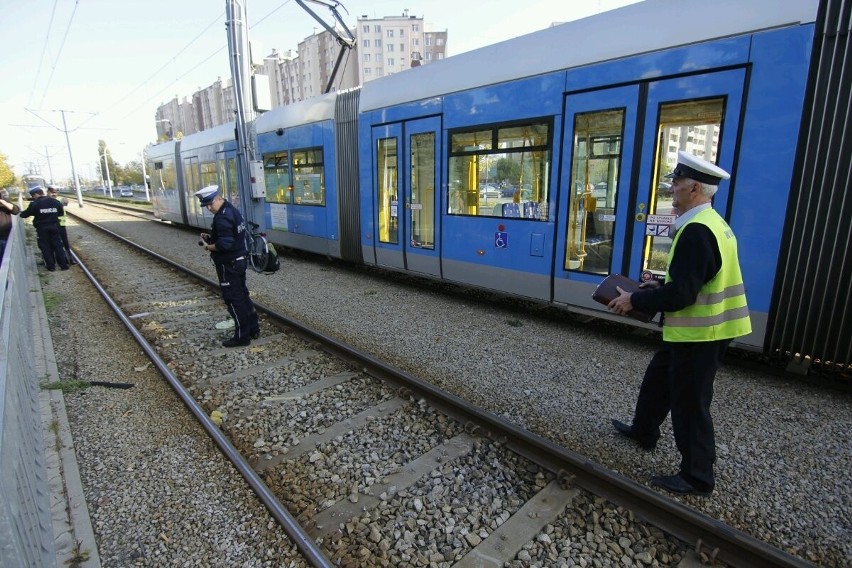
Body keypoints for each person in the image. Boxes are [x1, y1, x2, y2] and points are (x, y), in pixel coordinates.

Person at [607, 151, 751, 496]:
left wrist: (635, 300)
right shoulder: (711, 223)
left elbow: (683, 295)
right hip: (697, 330)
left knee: (691, 402)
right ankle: (644, 431)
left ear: (696, 189)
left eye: (677, 183)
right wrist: (657, 287)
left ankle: (697, 476)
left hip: (703, 333)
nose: (672, 189)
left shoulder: (696, 232)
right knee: (659, 379)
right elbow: (694, 280)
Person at [195, 185, 259, 347]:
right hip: (239, 260)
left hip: (228, 263)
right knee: (243, 295)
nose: (209, 208)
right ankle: (253, 328)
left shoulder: (221, 218)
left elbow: (225, 244)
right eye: (206, 205)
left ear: (218, 198)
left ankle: (242, 337)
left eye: (210, 204)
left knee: (233, 299)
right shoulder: (231, 210)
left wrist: (206, 245)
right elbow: (233, 235)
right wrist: (212, 237)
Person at [19, 186, 69, 271]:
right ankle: (63, 265)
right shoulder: (55, 202)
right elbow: (60, 213)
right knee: (58, 245)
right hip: (54, 226)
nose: (32, 198)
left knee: (45, 247)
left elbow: (24, 215)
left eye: (33, 196)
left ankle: (51, 267)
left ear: (36, 194)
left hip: (42, 228)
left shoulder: (35, 204)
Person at [47, 185, 77, 264]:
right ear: (48, 192)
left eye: (55, 192)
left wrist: (65, 201)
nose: (54, 194)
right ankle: (57, 260)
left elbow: (64, 203)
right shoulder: (45, 202)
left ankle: (69, 259)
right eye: (52, 192)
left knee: (65, 243)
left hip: (61, 226)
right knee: (53, 244)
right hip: (51, 226)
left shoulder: (58, 202)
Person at [0, 189, 21, 261]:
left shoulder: (4, 202)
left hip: (3, 236)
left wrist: (3, 202)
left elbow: (16, 211)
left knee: (3, 259)